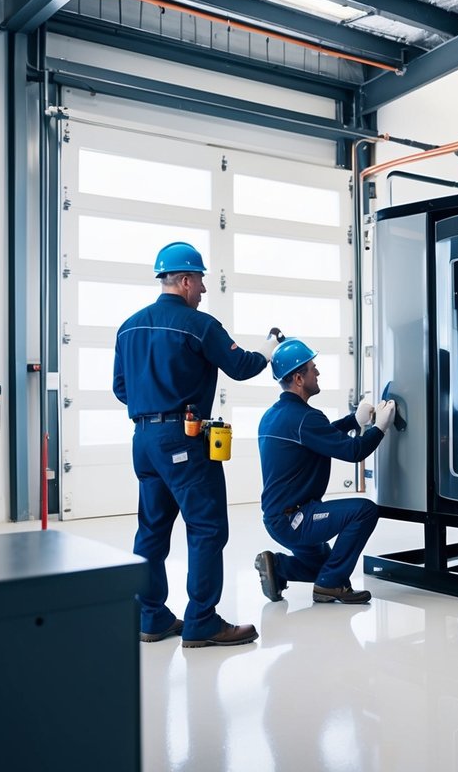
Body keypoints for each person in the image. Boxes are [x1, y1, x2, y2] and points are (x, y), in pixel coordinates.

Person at [113, 241, 278, 648]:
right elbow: (240, 367)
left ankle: (151, 617)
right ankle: (202, 621)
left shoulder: (129, 326)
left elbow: (121, 389)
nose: (203, 290)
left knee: (151, 530)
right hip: (184, 439)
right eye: (200, 281)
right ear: (185, 280)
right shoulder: (198, 324)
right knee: (206, 528)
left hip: (144, 439)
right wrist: (268, 350)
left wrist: (152, 406)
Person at [255, 338, 396, 605]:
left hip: (279, 518)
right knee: (365, 510)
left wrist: (353, 421)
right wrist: (380, 428)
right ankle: (330, 587)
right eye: (312, 368)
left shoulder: (275, 415)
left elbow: (318, 435)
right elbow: (354, 452)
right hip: (297, 518)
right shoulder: (305, 417)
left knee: (325, 566)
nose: (317, 373)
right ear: (298, 378)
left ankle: (279, 567)